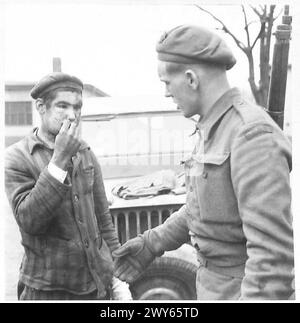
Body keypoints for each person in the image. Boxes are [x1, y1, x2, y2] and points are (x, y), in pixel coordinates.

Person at [113, 25, 294, 300]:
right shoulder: (214, 130)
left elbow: (272, 264)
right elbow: (203, 208)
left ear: (190, 79)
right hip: (213, 286)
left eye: (166, 82)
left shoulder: (252, 136)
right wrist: (152, 243)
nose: (166, 93)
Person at [5, 72, 131, 300]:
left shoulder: (85, 152)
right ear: (41, 107)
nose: (72, 115)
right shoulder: (17, 157)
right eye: (62, 106)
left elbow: (103, 220)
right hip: (47, 291)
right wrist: (60, 159)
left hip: (95, 287)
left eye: (78, 107)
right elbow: (29, 221)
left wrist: (117, 277)